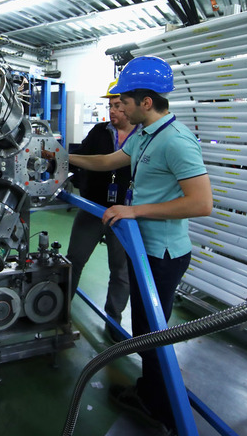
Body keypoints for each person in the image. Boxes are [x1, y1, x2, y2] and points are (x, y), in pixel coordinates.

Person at [68, 55, 213, 433]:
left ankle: (163, 411)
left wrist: (136, 210)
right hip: (143, 247)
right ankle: (150, 392)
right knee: (146, 328)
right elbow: (106, 161)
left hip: (162, 254)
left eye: (125, 101)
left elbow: (202, 202)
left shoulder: (177, 141)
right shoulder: (146, 135)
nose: (119, 107)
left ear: (146, 102)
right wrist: (61, 156)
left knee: (154, 333)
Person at [66, 80, 139, 342]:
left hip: (125, 216)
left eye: (118, 105)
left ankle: (113, 320)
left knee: (121, 271)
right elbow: (82, 159)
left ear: (131, 106)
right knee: (73, 260)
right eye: (110, 105)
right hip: (93, 208)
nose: (113, 111)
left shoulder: (143, 137)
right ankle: (61, 310)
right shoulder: (99, 132)